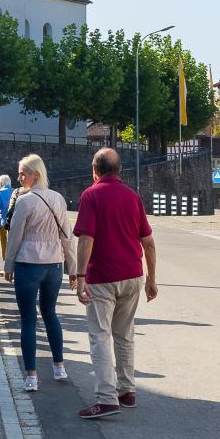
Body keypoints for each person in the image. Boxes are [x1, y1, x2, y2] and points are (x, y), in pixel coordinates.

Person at [74, 148, 157, 419]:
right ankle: (127, 390)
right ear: (119, 170)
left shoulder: (91, 195)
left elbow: (86, 238)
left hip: (103, 278)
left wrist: (81, 276)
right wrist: (151, 279)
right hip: (133, 275)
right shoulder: (132, 196)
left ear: (94, 170)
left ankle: (107, 398)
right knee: (125, 335)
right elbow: (148, 241)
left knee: (100, 336)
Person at [3, 155, 76, 393]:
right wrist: (73, 269)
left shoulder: (25, 201)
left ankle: (31, 376)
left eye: (23, 173)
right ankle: (59, 365)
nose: (20, 177)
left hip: (29, 262)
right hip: (54, 264)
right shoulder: (58, 198)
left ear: (35, 174)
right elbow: (67, 235)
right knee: (50, 313)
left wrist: (8, 264)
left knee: (28, 320)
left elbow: (15, 236)